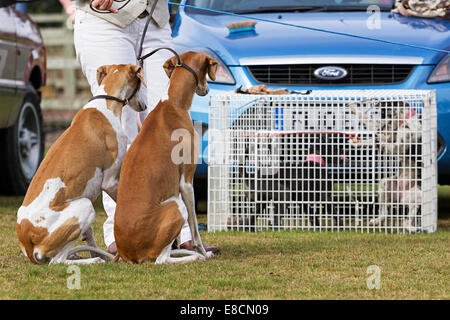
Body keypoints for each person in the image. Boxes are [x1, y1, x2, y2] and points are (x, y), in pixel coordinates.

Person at [71, 0, 219, 255]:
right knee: (121, 126)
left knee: (176, 116)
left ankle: (182, 231)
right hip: (104, 21)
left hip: (154, 23)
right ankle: (121, 230)